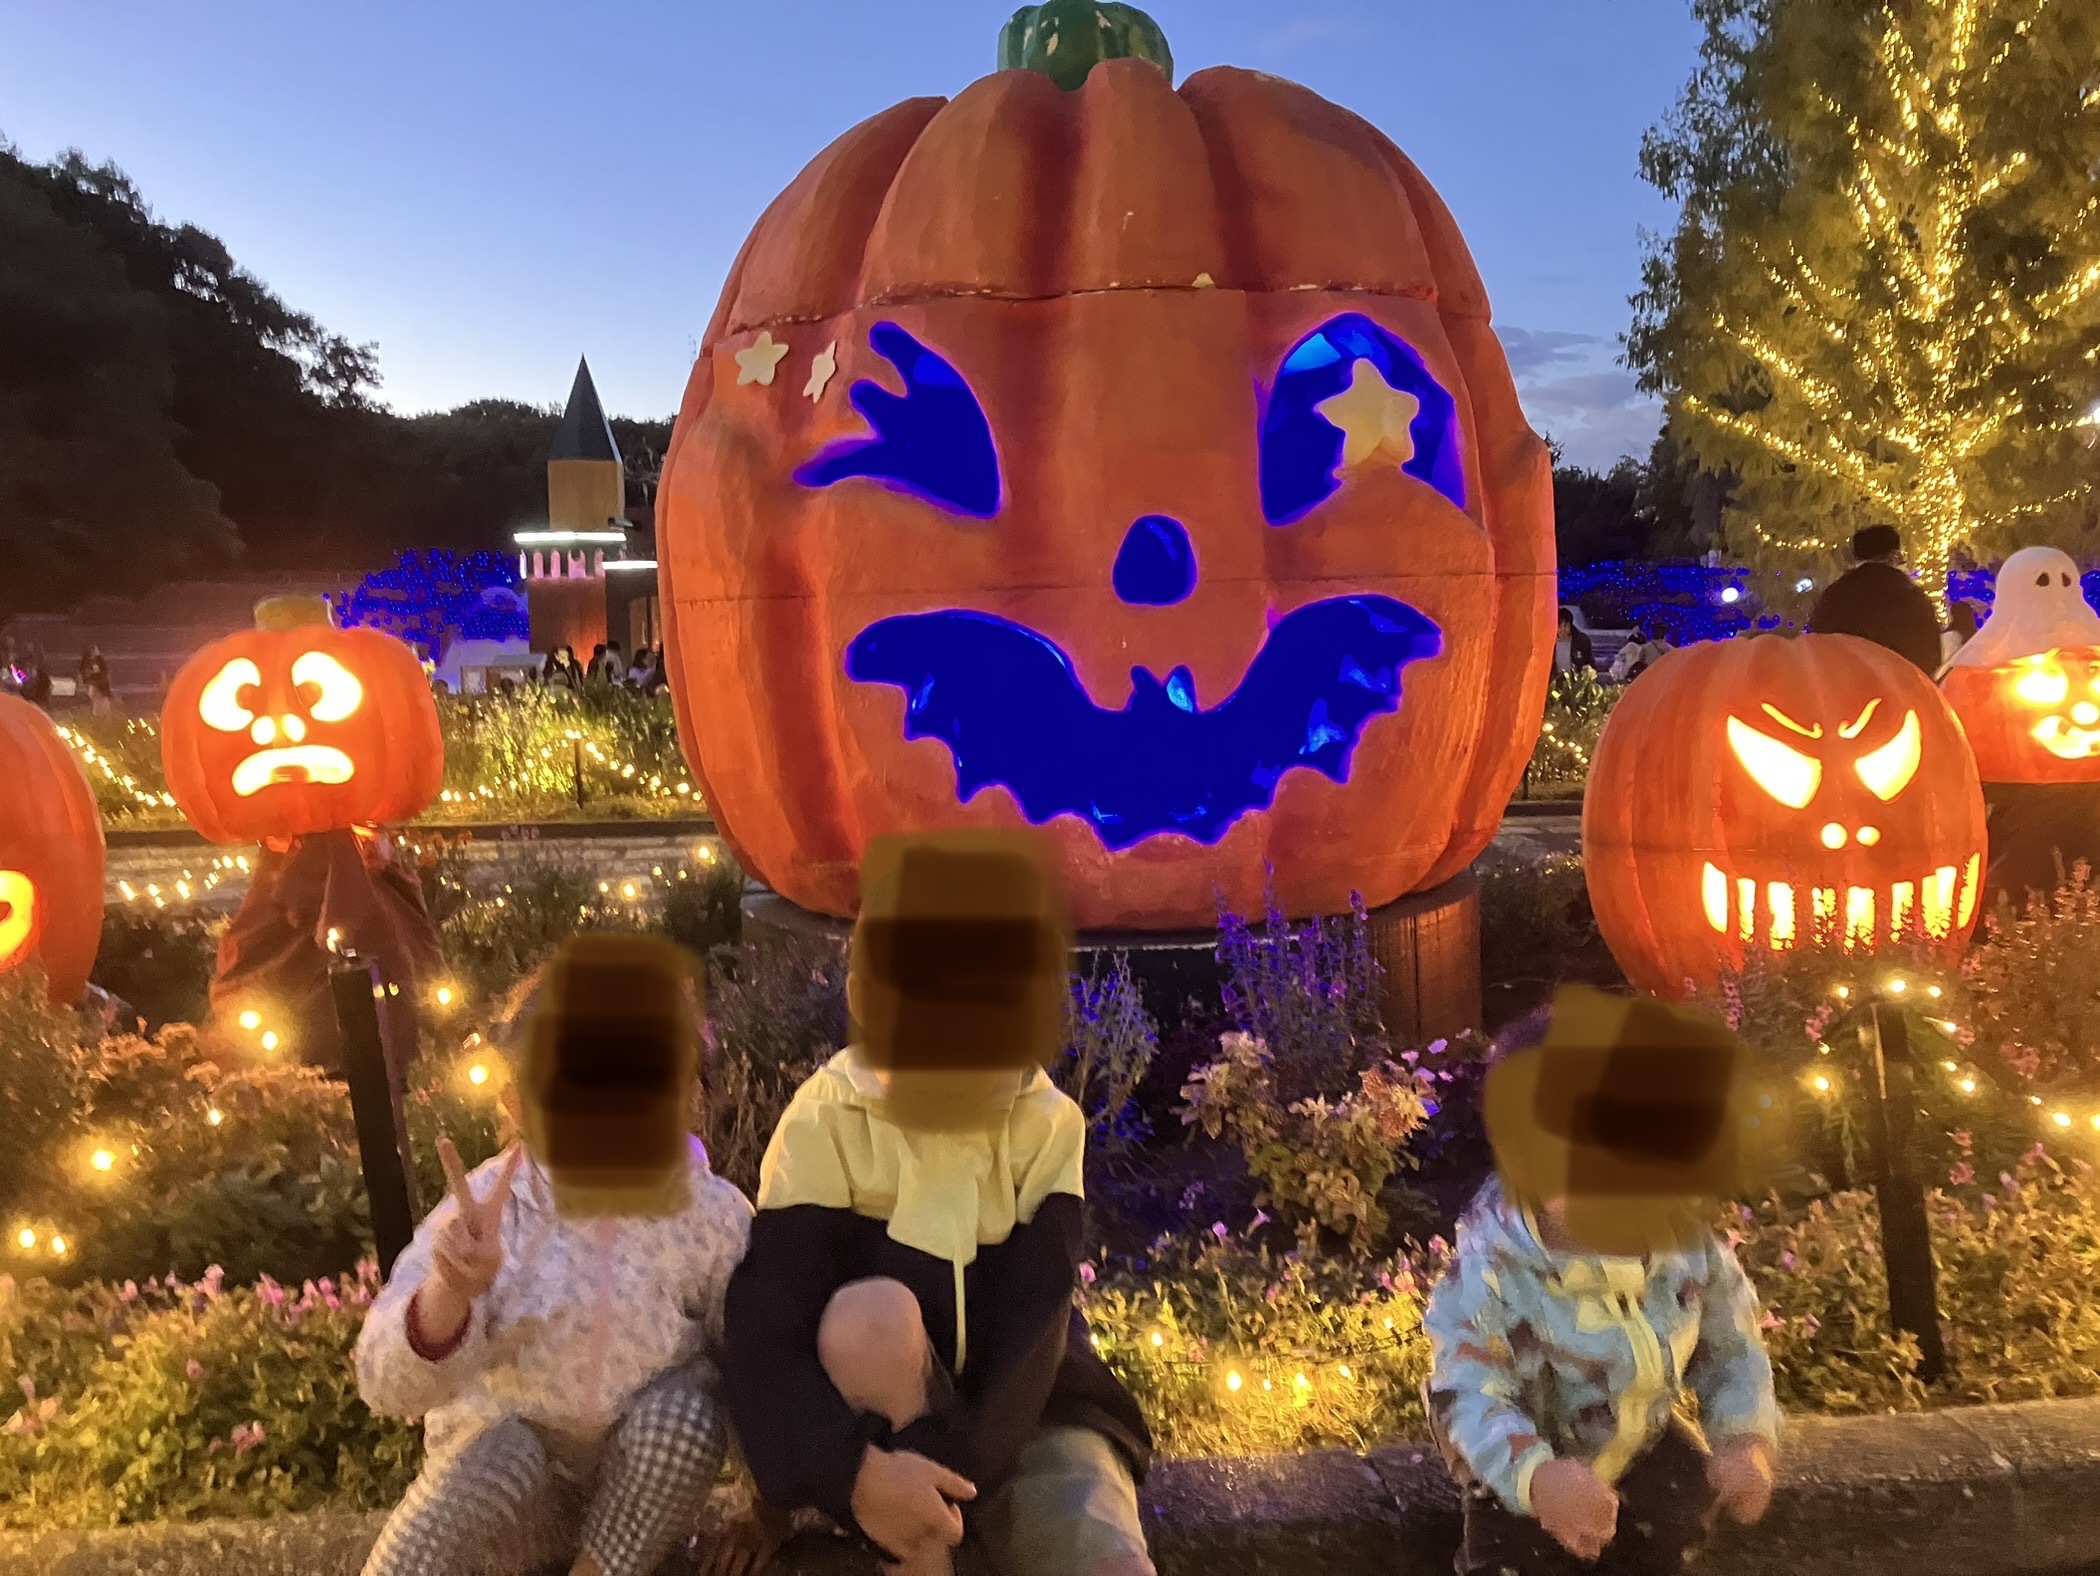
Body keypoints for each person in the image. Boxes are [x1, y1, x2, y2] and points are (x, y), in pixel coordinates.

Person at [722, 832, 1155, 1576]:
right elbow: (768, 1327)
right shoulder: (825, 1124)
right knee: (869, 1317)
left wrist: (950, 1472)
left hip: (1027, 1414)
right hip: (873, 1424)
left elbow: (1032, 1332)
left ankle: (956, 1520)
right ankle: (917, 1554)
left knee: (1100, 1554)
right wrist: (854, 1475)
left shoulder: (1042, 1123)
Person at [354, 938, 767, 1576]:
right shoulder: (493, 1213)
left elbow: (753, 1356)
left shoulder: (709, 1216)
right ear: (518, 1106)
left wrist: (764, 1503)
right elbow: (382, 1382)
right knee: (498, 1450)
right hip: (516, 1498)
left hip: (635, 1501)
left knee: (688, 1412)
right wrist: (450, 1293)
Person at [1424, 997, 1780, 1576]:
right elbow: (1468, 1389)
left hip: (1638, 1440)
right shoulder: (1495, 1271)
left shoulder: (1684, 1251)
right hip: (1527, 1456)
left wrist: (1744, 1440)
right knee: (1516, 1554)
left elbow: (1732, 1349)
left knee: (1681, 1500)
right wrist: (1538, 1479)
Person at [1807, 524, 1943, 674]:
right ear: (1894, 555)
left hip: (1845, 683)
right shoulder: (1910, 596)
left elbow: (1817, 642)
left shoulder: (1835, 595)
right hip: (1897, 684)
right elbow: (1929, 652)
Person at [1938, 598, 1984, 674]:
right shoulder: (1977, 638)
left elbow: (1943, 659)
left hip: (1949, 676)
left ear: (1953, 617)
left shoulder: (1947, 637)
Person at [1553, 609, 1595, 677]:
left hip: (1576, 683)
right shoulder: (1549, 643)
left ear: (1569, 625)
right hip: (1554, 682)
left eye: (1565, 626)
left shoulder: (1582, 641)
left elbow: (1590, 664)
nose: (1561, 631)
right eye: (1559, 627)